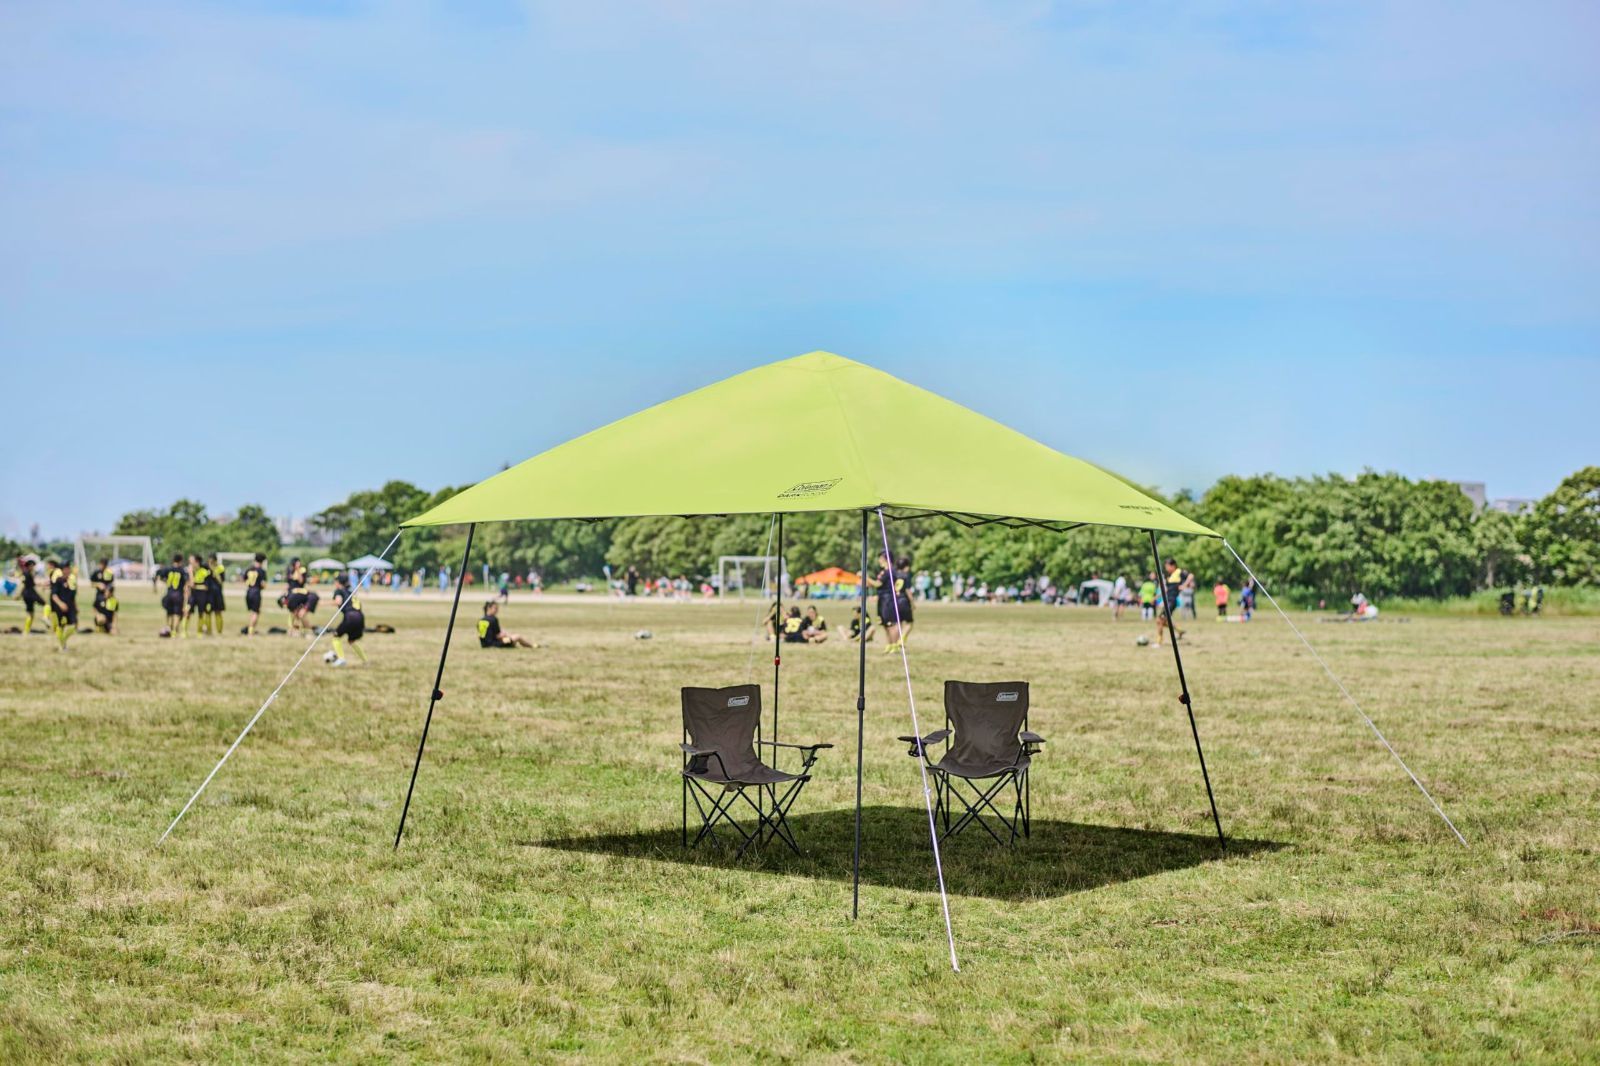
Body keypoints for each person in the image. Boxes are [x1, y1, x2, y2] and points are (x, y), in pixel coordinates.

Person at [323, 577, 367, 666]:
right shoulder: (351, 592)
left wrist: (323, 603)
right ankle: (365, 660)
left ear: (338, 583)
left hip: (350, 616)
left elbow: (338, 602)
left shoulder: (339, 590)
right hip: (360, 616)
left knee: (336, 636)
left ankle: (341, 659)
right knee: (352, 640)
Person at [1156, 558, 1189, 646]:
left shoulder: (1179, 572)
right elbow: (1166, 590)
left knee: (1160, 620)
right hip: (1168, 601)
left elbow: (1191, 576)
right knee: (1161, 621)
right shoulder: (1169, 576)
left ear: (1173, 566)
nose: (1166, 568)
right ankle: (1179, 630)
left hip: (1172, 601)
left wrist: (1184, 585)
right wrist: (1156, 597)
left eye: (1167, 566)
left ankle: (1159, 642)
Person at [49, 560, 78, 651]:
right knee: (60, 627)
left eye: (69, 568)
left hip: (70, 607)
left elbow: (73, 597)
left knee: (73, 626)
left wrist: (76, 606)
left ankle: (63, 641)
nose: (68, 570)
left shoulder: (71, 581)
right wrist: (61, 604)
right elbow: (54, 595)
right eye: (66, 568)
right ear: (62, 570)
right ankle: (62, 646)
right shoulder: (58, 581)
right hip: (60, 608)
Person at [157, 553, 187, 635]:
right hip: (178, 594)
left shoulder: (168, 569)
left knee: (169, 612)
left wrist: (166, 582)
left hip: (169, 593)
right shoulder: (182, 570)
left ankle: (168, 627)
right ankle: (174, 630)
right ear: (180, 561)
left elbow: (160, 577)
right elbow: (186, 582)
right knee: (177, 613)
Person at [17, 556, 46, 635]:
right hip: (30, 593)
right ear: (29, 566)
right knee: (45, 605)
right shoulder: (26, 573)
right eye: (33, 565)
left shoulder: (28, 573)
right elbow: (23, 584)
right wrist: (18, 594)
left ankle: (26, 631)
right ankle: (45, 617)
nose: (33, 567)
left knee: (30, 614)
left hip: (27, 594)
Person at [184, 554, 211, 637]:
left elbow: (206, 586)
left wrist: (195, 584)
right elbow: (189, 585)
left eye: (191, 561)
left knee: (201, 613)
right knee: (187, 612)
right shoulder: (188, 571)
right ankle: (184, 632)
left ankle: (199, 632)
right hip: (192, 595)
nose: (190, 563)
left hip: (202, 596)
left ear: (197, 562)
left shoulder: (204, 572)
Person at [242, 553, 268, 635]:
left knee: (252, 612)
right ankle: (251, 631)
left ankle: (250, 628)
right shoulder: (261, 571)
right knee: (256, 612)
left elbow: (244, 579)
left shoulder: (249, 569)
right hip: (256, 592)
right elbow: (263, 584)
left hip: (248, 592)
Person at [91, 558, 118, 634]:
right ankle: (99, 625)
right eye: (101, 564)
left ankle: (109, 626)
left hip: (108, 596)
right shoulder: (96, 572)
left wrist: (114, 626)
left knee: (109, 610)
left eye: (104, 564)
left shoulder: (109, 573)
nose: (102, 566)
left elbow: (115, 614)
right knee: (100, 612)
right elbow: (91, 583)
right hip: (99, 595)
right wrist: (98, 584)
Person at [207, 553, 226, 636]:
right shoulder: (205, 568)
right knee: (207, 612)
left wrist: (215, 571)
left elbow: (221, 581)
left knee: (218, 612)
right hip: (208, 593)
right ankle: (209, 631)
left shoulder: (220, 568)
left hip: (217, 593)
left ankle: (219, 631)